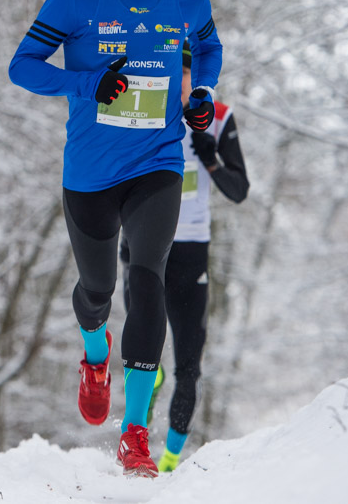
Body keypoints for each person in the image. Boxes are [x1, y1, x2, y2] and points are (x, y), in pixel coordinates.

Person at [8, 0, 224, 478]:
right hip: (90, 172)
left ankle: (134, 434)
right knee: (98, 289)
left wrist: (202, 94)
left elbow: (208, 50)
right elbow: (22, 66)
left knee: (147, 279)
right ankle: (94, 354)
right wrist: (87, 83)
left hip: (158, 163)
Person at [120, 45, 249, 473]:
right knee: (140, 349)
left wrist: (210, 160)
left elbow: (239, 190)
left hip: (191, 248)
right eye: (172, 72)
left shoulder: (219, 117)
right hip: (142, 244)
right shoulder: (140, 106)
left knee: (189, 364)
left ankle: (171, 460)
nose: (179, 82)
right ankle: (135, 434)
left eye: (187, 74)